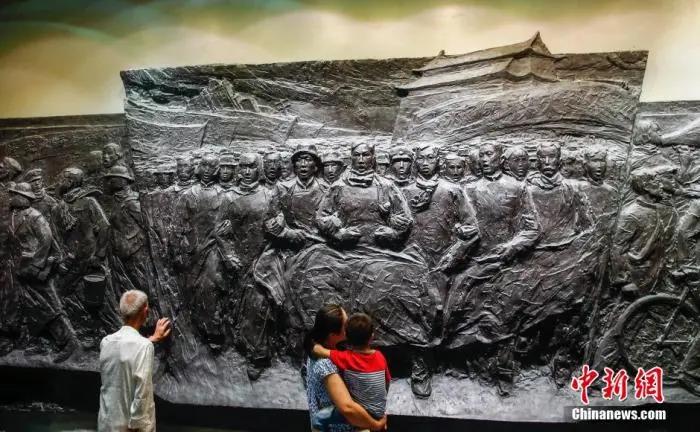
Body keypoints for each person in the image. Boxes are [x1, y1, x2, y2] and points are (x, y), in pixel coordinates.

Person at [304, 305, 387, 432]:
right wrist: (376, 424)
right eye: (346, 325)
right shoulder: (325, 364)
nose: (349, 326)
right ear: (333, 335)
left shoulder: (318, 348)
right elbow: (347, 408)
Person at [98, 290, 171, 432]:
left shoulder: (106, 342)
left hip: (106, 424)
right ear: (145, 311)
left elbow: (125, 352)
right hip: (130, 428)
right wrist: (135, 426)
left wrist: (152, 339)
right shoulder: (144, 347)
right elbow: (142, 393)